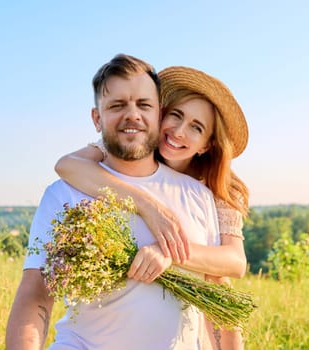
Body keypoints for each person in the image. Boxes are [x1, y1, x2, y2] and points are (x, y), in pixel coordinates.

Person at [6, 54, 221, 349]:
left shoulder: (198, 196)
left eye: (143, 105)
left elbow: (216, 297)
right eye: (117, 105)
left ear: (159, 113)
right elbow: (36, 294)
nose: (132, 115)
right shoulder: (64, 194)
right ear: (97, 118)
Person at [54, 66, 250, 349]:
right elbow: (67, 165)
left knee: (217, 282)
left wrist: (168, 251)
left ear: (207, 145)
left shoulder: (215, 190)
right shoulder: (131, 151)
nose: (179, 132)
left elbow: (234, 262)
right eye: (176, 116)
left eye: (196, 127)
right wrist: (146, 205)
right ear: (162, 114)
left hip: (190, 308)